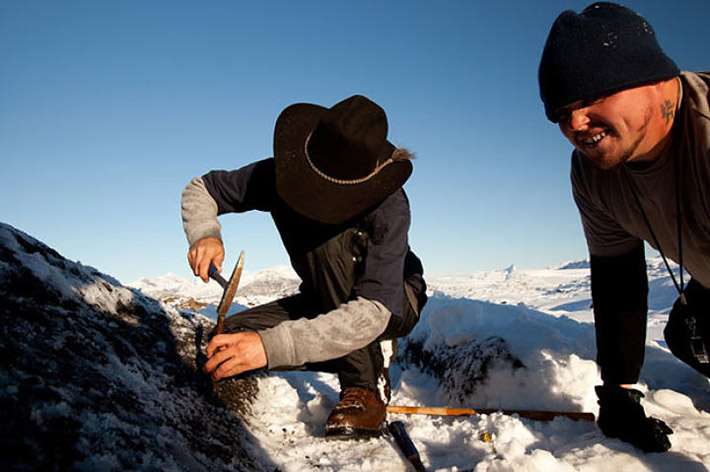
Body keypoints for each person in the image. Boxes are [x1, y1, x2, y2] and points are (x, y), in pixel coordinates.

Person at [181, 94, 427, 440]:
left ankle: (364, 386)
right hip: (324, 295)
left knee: (329, 247)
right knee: (230, 342)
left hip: (392, 301)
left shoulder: (389, 205)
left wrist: (269, 348)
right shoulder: (282, 171)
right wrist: (205, 233)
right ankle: (365, 355)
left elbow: (374, 312)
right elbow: (203, 189)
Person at [539, 2, 710, 453]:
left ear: (654, 81)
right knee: (691, 334)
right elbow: (618, 278)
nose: (575, 123)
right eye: (561, 110)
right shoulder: (594, 173)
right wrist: (618, 391)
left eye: (592, 96)